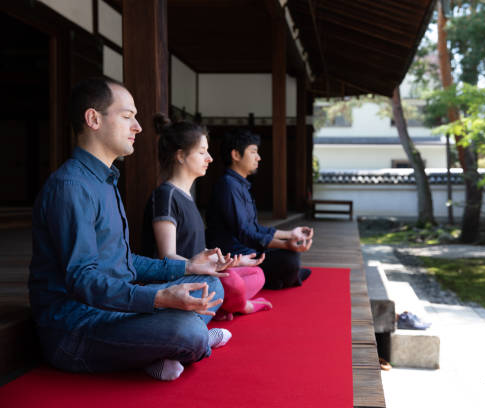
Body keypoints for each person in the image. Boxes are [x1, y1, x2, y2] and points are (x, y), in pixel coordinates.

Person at [29, 77, 234, 382]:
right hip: (77, 329)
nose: (138, 127)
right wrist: (160, 298)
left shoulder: (106, 180)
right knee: (187, 330)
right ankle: (180, 343)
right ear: (93, 119)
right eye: (127, 117)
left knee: (211, 284)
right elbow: (83, 280)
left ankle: (154, 351)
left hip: (116, 309)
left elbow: (125, 263)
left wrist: (188, 265)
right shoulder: (71, 187)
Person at [142, 113, 272, 321]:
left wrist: (234, 262)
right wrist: (212, 269)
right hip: (176, 282)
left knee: (255, 273)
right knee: (231, 283)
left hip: (197, 274)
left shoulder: (186, 196)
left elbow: (195, 251)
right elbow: (166, 257)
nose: (209, 158)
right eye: (202, 152)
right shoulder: (166, 196)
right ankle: (238, 305)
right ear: (181, 155)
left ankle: (219, 305)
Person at [205, 129, 314, 290]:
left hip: (249, 249)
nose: (258, 157)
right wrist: (284, 245)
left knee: (289, 257)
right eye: (253, 152)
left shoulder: (239, 185)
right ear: (236, 155)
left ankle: (280, 277)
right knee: (289, 259)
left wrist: (290, 234)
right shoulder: (228, 186)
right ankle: (278, 278)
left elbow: (254, 228)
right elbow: (245, 233)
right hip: (234, 256)